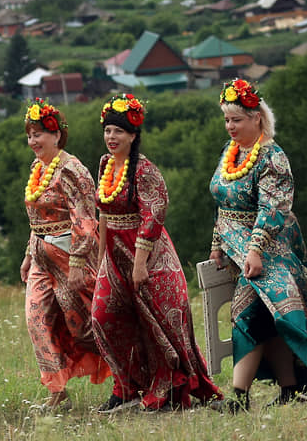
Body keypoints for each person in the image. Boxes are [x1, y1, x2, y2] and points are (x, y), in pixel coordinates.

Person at [91, 93, 222, 413]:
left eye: (118, 131)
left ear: (133, 136)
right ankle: (125, 386)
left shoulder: (145, 171)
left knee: (160, 324)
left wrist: (139, 265)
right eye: (108, 130)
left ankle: (172, 387)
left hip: (149, 256)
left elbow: (153, 218)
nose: (111, 137)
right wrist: (100, 258)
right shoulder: (106, 165)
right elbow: (103, 214)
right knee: (103, 318)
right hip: (114, 255)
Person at [208, 79, 307, 412]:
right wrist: (217, 244)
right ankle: (291, 387)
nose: (230, 126)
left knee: (246, 311)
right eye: (227, 120)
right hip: (238, 248)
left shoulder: (272, 156)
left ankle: (239, 398)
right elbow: (222, 203)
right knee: (264, 315)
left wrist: (256, 250)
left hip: (270, 248)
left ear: (257, 117)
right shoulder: (230, 153)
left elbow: (273, 207)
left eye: (237, 120)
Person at [20, 99, 111, 411]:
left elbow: (85, 219)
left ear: (57, 135)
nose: (33, 141)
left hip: (72, 257)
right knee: (37, 320)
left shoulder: (72, 170)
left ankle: (133, 378)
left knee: (87, 325)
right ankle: (57, 395)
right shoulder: (37, 169)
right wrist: (28, 255)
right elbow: (37, 219)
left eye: (39, 134)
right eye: (30, 135)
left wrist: (76, 263)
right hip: (42, 258)